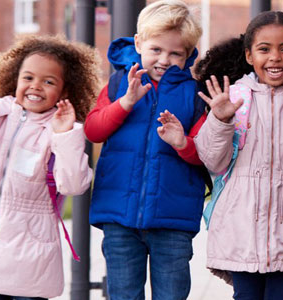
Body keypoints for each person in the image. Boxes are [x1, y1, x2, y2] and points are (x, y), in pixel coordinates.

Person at [190, 11, 283, 300]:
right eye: (264, 49)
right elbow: (213, 160)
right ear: (249, 56)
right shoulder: (232, 97)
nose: (275, 58)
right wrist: (220, 120)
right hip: (240, 227)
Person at [83, 1, 207, 298]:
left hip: (173, 219)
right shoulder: (117, 85)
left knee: (172, 294)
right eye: (156, 50)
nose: (164, 60)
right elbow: (94, 130)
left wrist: (182, 143)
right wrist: (125, 103)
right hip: (119, 217)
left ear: (189, 54)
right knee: (123, 294)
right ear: (139, 43)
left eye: (175, 53)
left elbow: (206, 155)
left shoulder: (194, 95)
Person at [0, 35, 99, 300]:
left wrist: (64, 136)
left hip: (31, 259)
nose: (36, 86)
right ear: (15, 78)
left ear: (65, 91)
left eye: (49, 81)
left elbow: (74, 185)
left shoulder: (61, 131)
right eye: (28, 78)